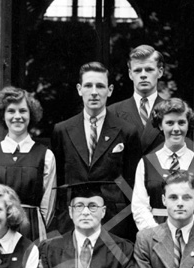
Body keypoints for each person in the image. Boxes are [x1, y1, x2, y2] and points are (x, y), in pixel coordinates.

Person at [51, 61, 142, 240]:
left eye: (100, 86)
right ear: (79, 89)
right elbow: (59, 180)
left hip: (114, 220)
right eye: (88, 86)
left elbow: (133, 183)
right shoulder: (62, 130)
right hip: (73, 218)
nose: (94, 92)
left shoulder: (127, 131)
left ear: (110, 90)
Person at [0, 86, 56, 242]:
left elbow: (48, 205)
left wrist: (37, 229)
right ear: (3, 115)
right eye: (11, 111)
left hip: (31, 229)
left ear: (31, 115)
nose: (17, 116)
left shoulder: (45, 155)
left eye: (23, 111)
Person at [131, 98, 194, 231]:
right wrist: (157, 235)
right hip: (154, 235)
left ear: (188, 125)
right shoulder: (146, 163)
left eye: (181, 123)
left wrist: (187, 234)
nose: (176, 129)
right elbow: (139, 206)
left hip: (192, 236)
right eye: (170, 123)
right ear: (160, 125)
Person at [108, 44, 166, 154]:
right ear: (130, 74)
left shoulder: (173, 111)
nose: (143, 75)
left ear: (160, 72)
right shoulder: (112, 112)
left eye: (149, 70)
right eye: (138, 70)